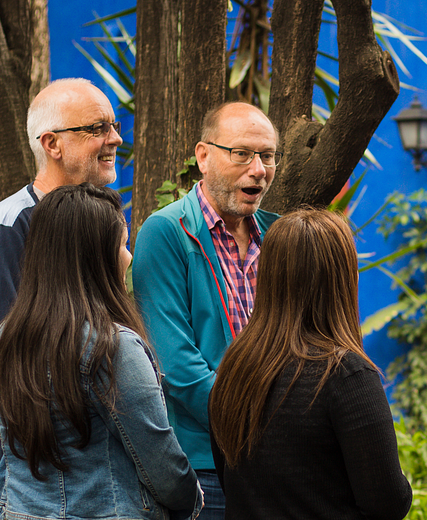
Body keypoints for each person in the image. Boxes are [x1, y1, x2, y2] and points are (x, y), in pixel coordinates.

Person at [0, 183, 202, 520]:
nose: (128, 256)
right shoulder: (113, 347)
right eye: (122, 244)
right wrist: (194, 497)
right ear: (95, 257)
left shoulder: (5, 339)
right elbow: (162, 465)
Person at [0, 78, 124, 495]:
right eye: (97, 128)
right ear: (52, 144)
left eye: (114, 125)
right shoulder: (10, 224)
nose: (115, 138)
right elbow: (6, 351)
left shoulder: (99, 219)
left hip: (77, 452)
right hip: (29, 461)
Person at [209, 208, 412, 519]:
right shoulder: (346, 375)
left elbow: (230, 480)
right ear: (341, 279)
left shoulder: (234, 368)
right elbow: (387, 502)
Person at [133, 101, 280, 518]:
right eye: (242, 154)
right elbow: (177, 367)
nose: (258, 169)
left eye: (267, 156)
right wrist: (263, 424)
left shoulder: (277, 233)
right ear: (203, 155)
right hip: (205, 465)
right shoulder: (166, 232)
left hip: (274, 462)